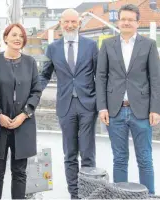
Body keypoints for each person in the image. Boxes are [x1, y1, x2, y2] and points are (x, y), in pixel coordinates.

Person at [96, 4, 160, 194]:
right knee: (120, 159)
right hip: (115, 111)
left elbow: (155, 79)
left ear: (137, 22)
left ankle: (148, 197)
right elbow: (101, 77)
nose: (126, 22)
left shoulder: (148, 45)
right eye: (123, 19)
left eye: (130, 19)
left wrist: (155, 109)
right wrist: (102, 107)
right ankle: (121, 197)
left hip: (141, 111)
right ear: (118, 21)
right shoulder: (107, 45)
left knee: (145, 159)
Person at [39, 9, 98, 199]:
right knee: (70, 154)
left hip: (88, 104)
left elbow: (100, 76)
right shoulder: (53, 48)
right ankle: (75, 194)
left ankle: (88, 194)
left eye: (74, 22)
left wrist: (102, 103)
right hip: (65, 106)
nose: (70, 25)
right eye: (67, 22)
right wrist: (30, 95)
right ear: (60, 23)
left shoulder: (91, 46)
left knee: (88, 154)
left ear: (79, 23)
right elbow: (44, 75)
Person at [0, 23, 42, 199]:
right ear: (5, 38)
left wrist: (24, 114)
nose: (18, 38)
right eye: (14, 35)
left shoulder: (30, 62)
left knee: (20, 173)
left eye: (21, 36)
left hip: (23, 125)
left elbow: (36, 91)